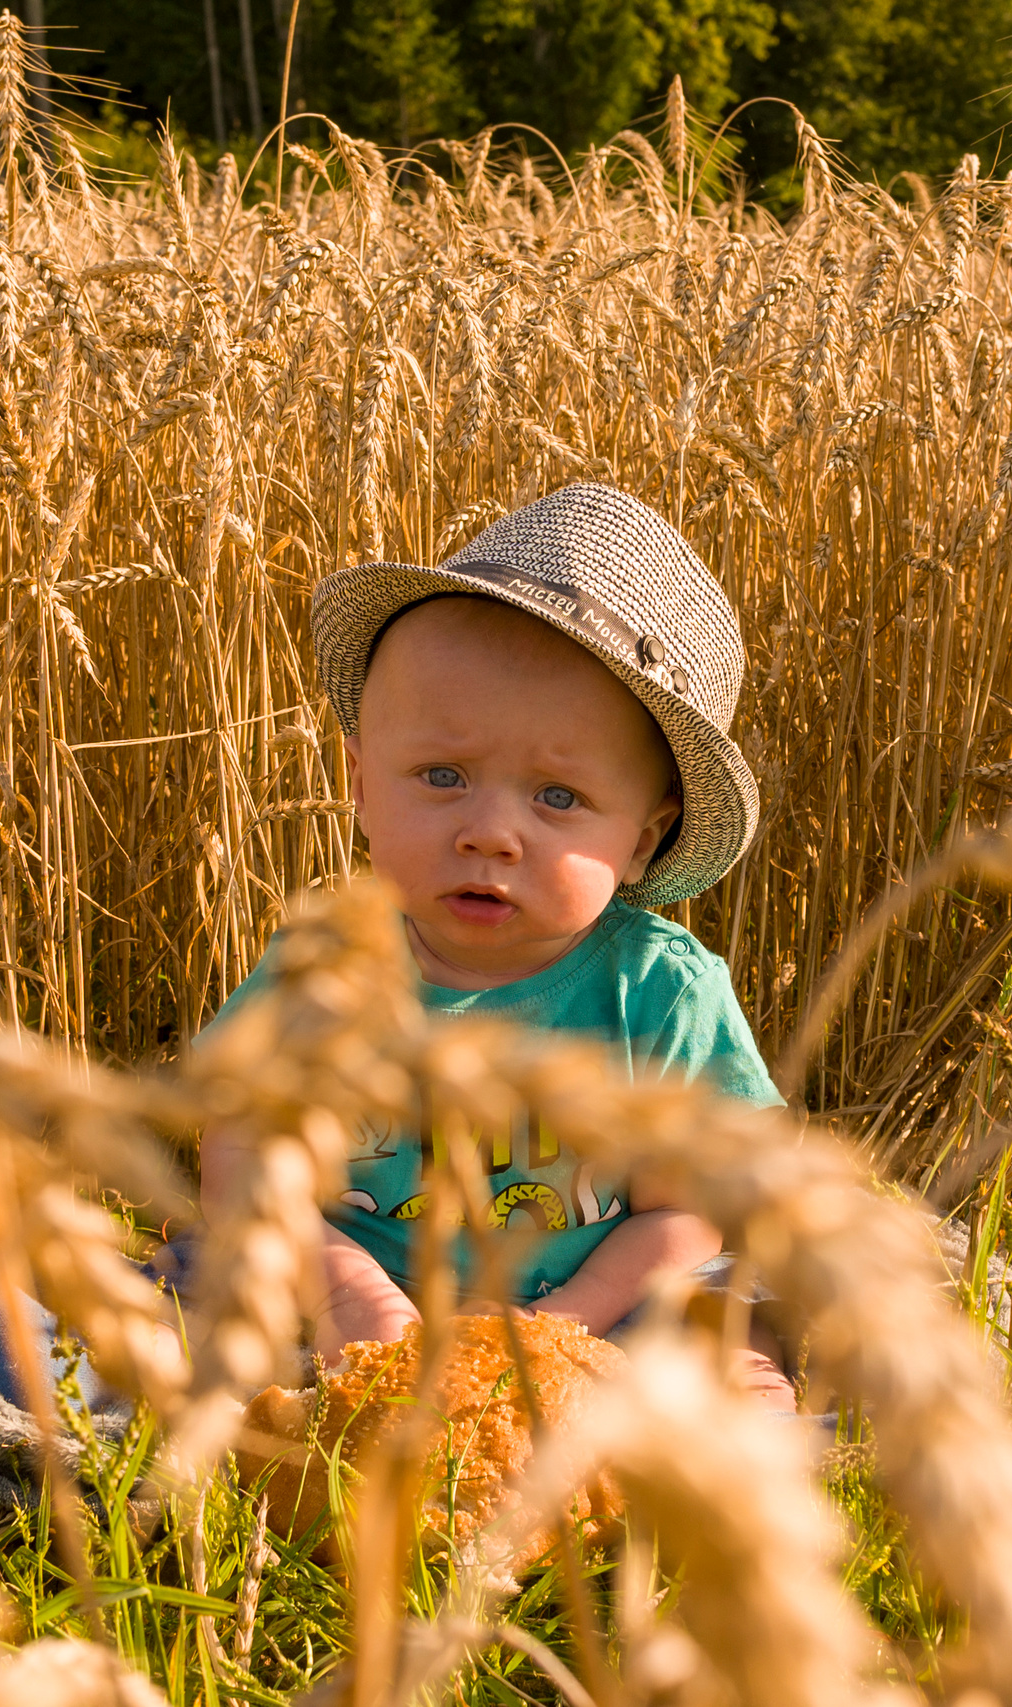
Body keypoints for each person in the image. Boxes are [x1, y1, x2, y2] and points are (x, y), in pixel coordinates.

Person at [199, 482, 795, 1409]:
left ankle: (722, 1458)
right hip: (338, 1299)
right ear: (360, 781)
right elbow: (238, 1154)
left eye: (558, 797)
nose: (490, 833)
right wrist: (346, 1291)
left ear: (643, 838)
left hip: (602, 1306)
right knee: (171, 1312)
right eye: (442, 775)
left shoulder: (659, 992)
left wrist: (559, 1327)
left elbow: (690, 1209)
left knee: (731, 1335)